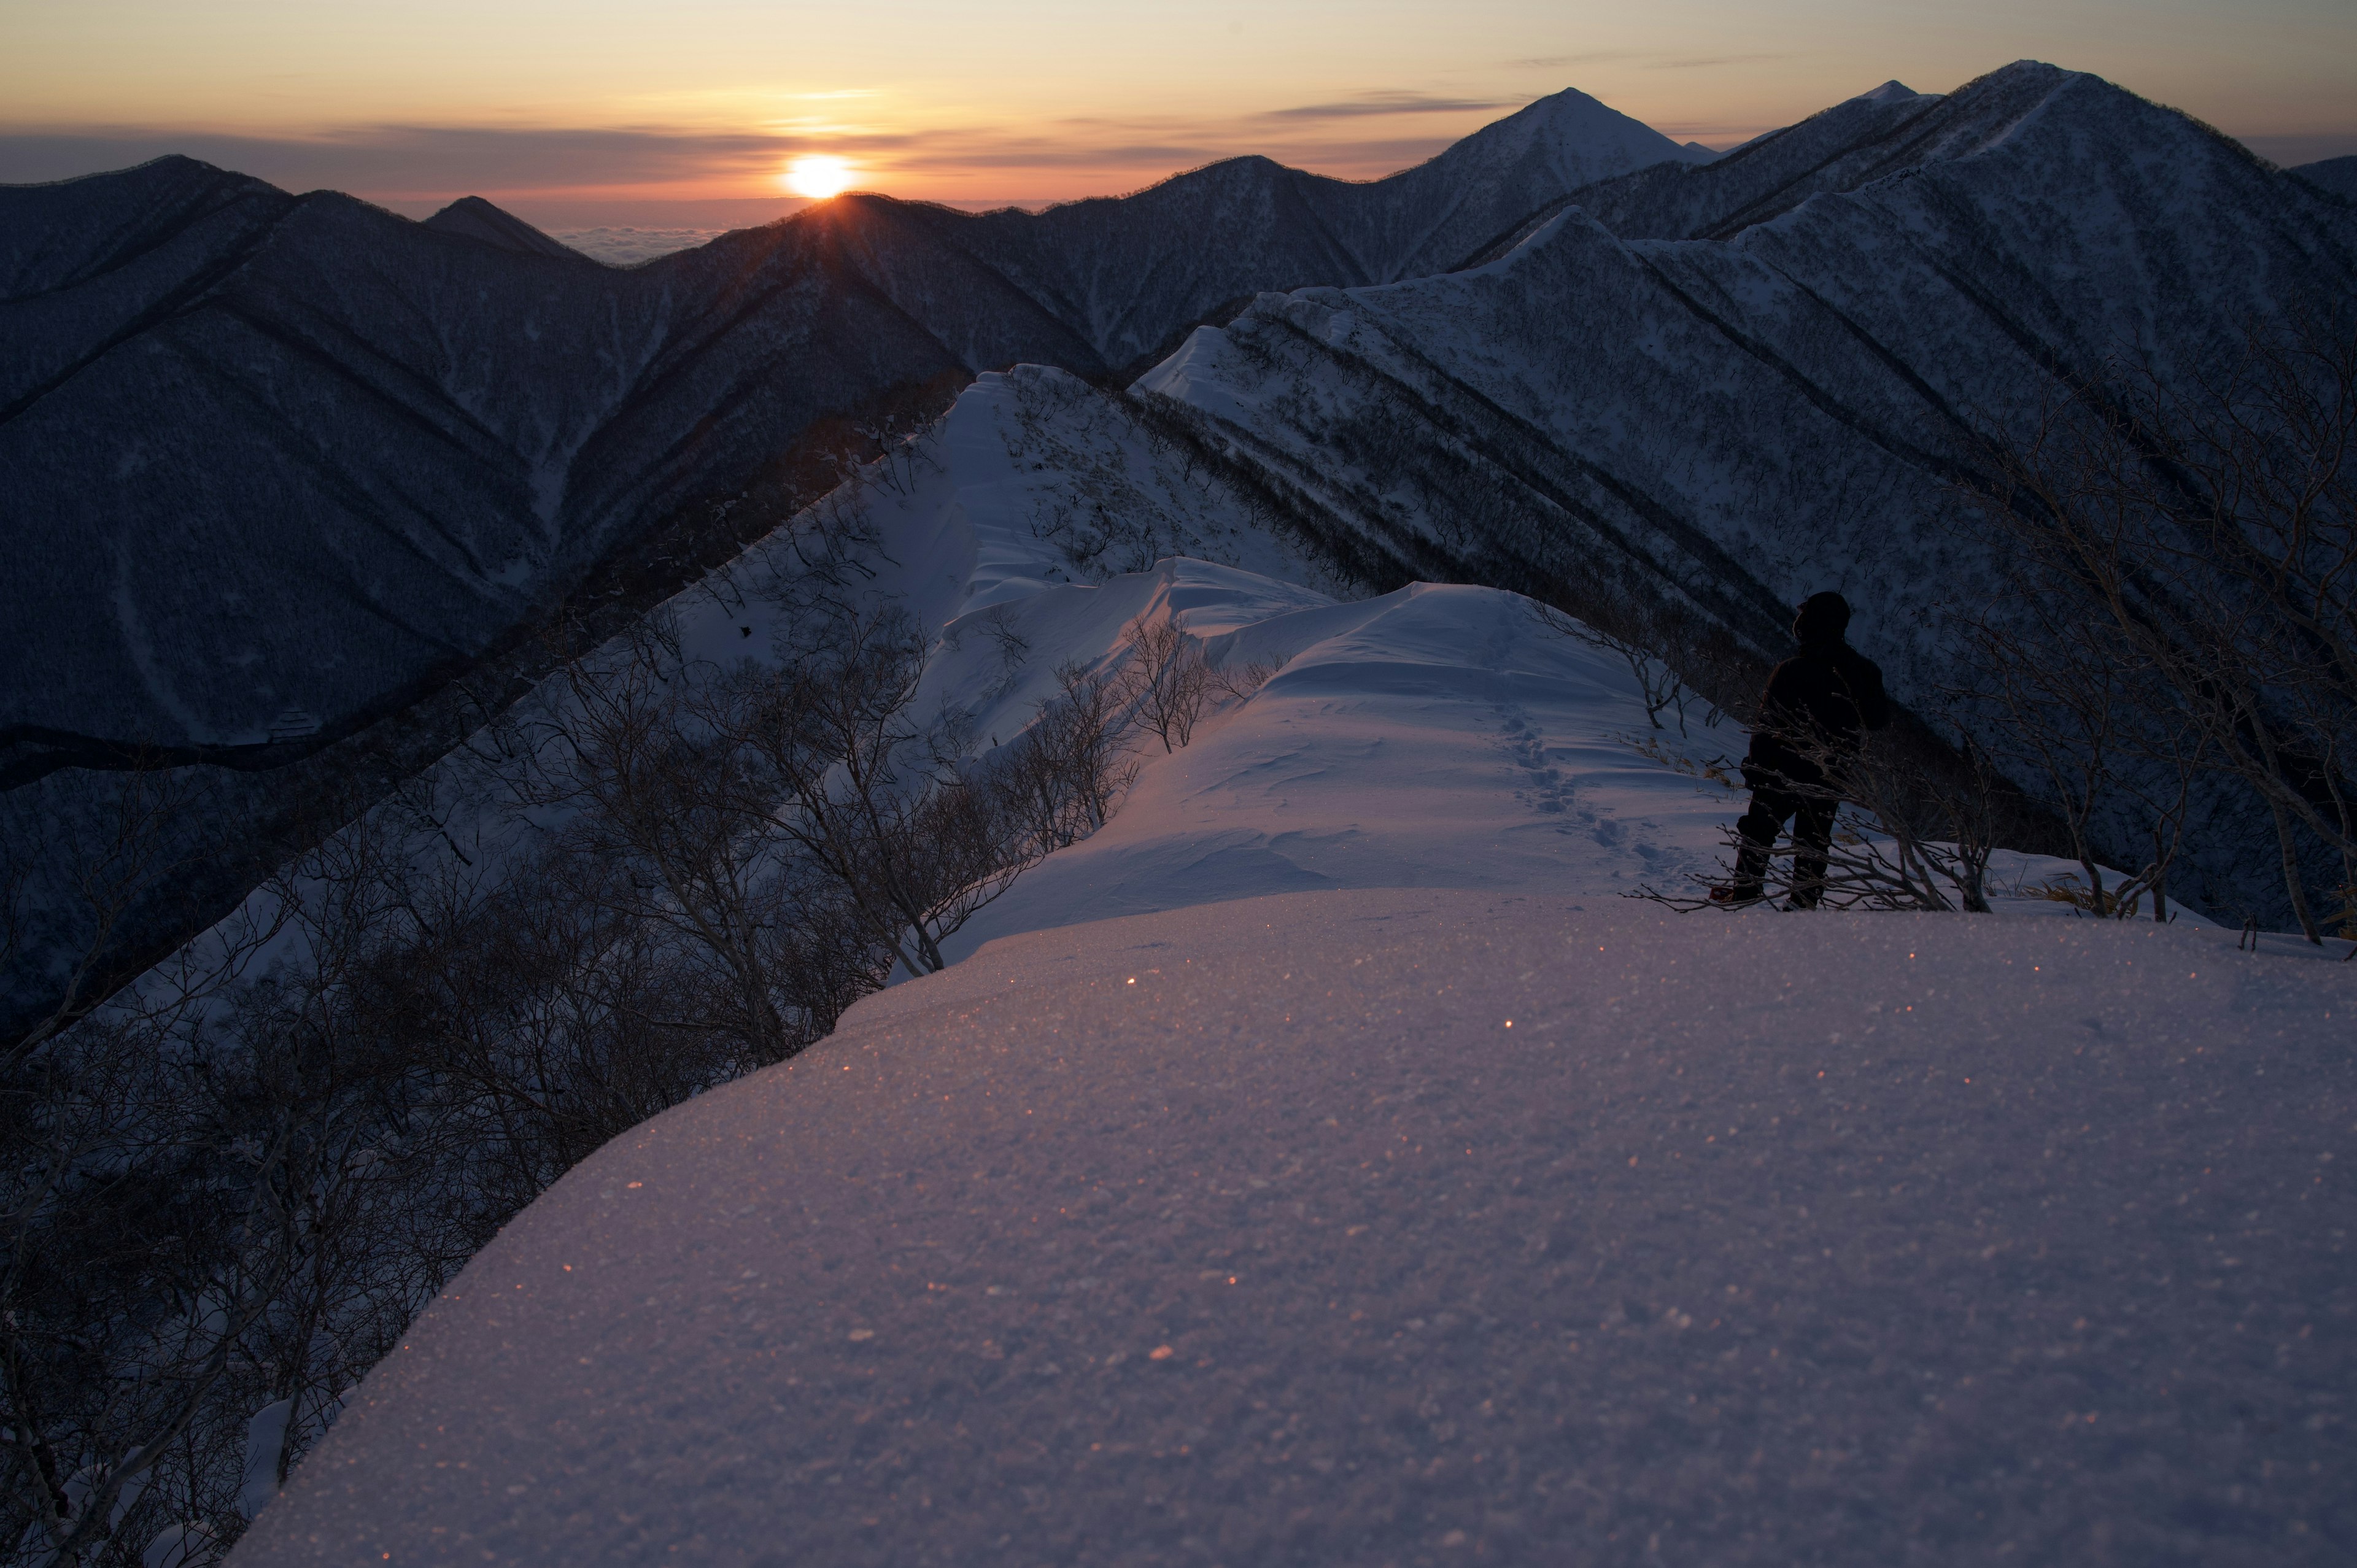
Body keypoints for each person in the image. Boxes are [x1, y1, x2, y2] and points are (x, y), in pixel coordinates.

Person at [1713, 591, 1889, 909]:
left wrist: (1757, 768)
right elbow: (1877, 721)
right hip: (1831, 775)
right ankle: (1803, 905)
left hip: (1781, 771)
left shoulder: (1792, 669)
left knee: (1758, 834)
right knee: (1814, 841)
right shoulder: (1864, 671)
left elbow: (1766, 726)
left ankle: (1746, 895)